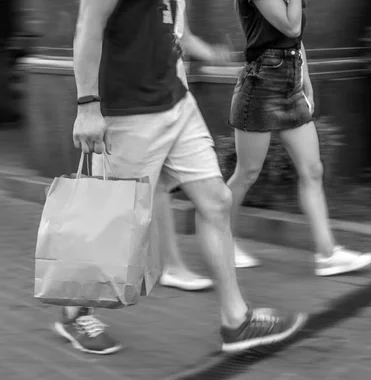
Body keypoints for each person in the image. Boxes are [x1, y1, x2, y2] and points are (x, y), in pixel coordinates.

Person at [53, 0, 307, 355]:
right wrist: (87, 106)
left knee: (216, 201)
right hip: (129, 115)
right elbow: (88, 27)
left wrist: (206, 50)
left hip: (177, 103)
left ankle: (237, 320)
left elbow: (175, 29)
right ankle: (74, 312)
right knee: (113, 224)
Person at [227, 0, 371, 274]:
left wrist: (305, 78)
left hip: (290, 82)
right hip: (261, 85)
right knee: (247, 172)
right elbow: (290, 24)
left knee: (312, 170)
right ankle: (220, 239)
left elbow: (295, 38)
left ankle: (327, 253)